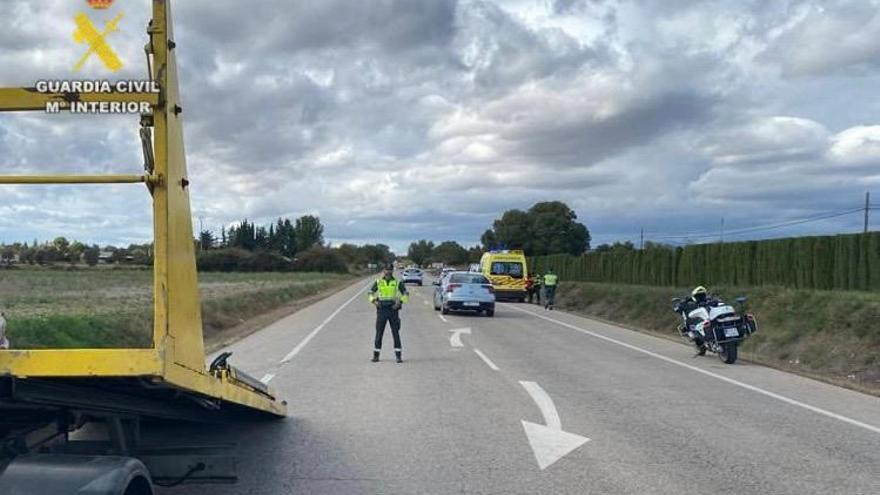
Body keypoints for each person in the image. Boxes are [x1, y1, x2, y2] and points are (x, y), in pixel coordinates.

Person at [368, 264, 409, 363]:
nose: (388, 271)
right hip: (381, 309)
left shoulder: (397, 282)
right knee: (379, 333)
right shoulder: (378, 282)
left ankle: (398, 356)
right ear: (383, 270)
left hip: (393, 309)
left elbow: (406, 293)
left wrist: (400, 302)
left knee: (395, 333)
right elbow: (370, 293)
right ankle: (376, 356)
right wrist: (374, 301)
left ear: (392, 271)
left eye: (390, 270)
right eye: (387, 270)